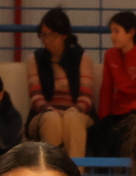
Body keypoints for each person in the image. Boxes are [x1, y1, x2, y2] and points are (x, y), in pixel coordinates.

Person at [87, 10, 136, 176]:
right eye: (111, 31)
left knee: (125, 136)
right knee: (97, 131)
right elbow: (106, 89)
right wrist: (103, 118)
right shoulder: (110, 56)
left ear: (131, 33)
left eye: (116, 31)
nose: (112, 36)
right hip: (118, 112)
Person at [27, 8, 94, 158]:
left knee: (72, 119)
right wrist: (50, 109)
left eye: (51, 35)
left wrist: (73, 110)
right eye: (43, 35)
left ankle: (76, 170)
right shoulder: (34, 59)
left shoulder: (82, 58)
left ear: (64, 35)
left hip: (77, 113)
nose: (46, 40)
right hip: (44, 114)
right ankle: (53, 169)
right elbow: (36, 98)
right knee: (52, 119)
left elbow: (86, 99)